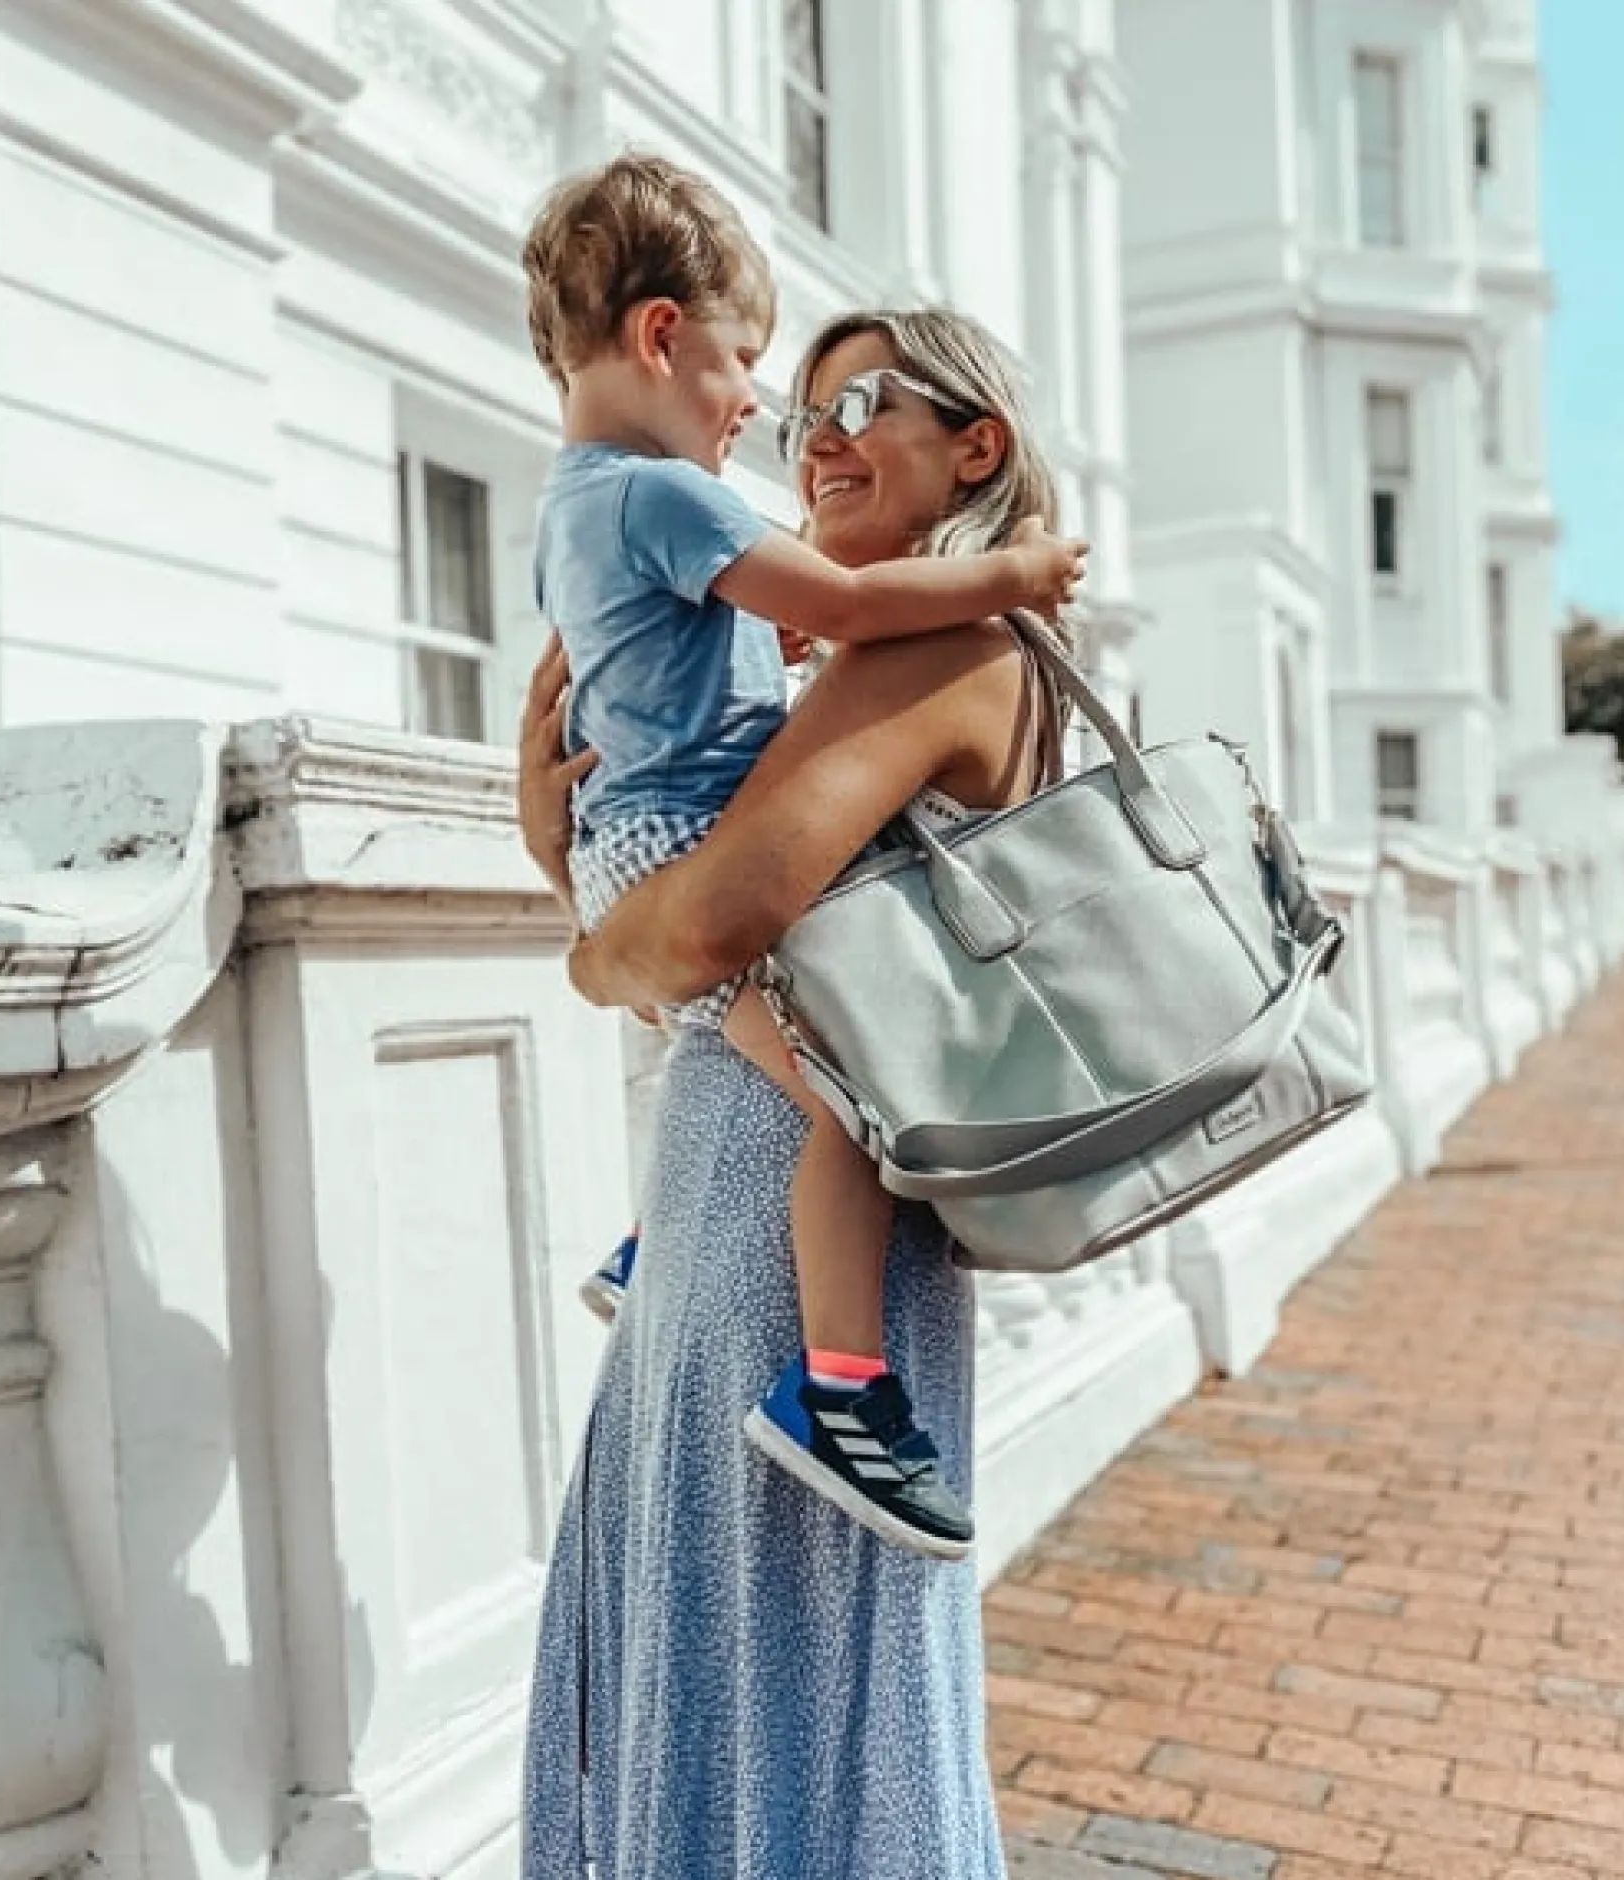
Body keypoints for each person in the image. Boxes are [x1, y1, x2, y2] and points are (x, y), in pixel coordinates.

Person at [517, 301, 1085, 1880]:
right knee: (770, 1657)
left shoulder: (943, 647)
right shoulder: (894, 651)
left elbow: (700, 927)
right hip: (751, 1214)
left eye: (868, 404)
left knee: (776, 1670)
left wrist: (588, 946)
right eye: (802, 416)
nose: (815, 439)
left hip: (786, 1248)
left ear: (976, 445)